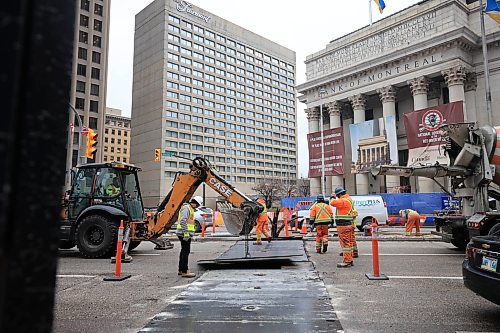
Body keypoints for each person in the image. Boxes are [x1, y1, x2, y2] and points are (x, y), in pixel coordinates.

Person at [176, 196, 203, 278]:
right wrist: (186, 233)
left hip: (183, 233)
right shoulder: (186, 208)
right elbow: (183, 221)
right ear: (195, 203)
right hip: (183, 233)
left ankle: (181, 270)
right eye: (198, 205)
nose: (197, 207)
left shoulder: (189, 208)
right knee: (186, 251)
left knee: (183, 251)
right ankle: (184, 271)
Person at [330, 187, 356, 268]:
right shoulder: (349, 199)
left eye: (338, 195)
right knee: (349, 242)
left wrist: (332, 197)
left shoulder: (343, 200)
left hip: (344, 225)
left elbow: (332, 203)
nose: (337, 197)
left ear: (340, 194)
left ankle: (347, 261)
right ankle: (350, 259)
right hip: (348, 224)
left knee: (345, 243)